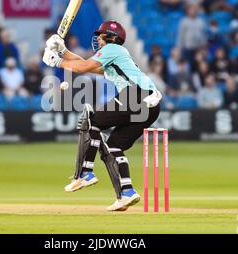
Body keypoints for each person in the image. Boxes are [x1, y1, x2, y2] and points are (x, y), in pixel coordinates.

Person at [43, 21, 162, 211]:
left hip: (135, 95)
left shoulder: (113, 49)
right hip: (151, 106)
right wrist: (63, 51)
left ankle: (85, 173)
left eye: (101, 35)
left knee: (91, 119)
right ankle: (127, 192)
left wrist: (56, 61)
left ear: (112, 37)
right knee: (114, 145)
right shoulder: (115, 56)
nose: (97, 38)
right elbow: (90, 66)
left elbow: (83, 68)